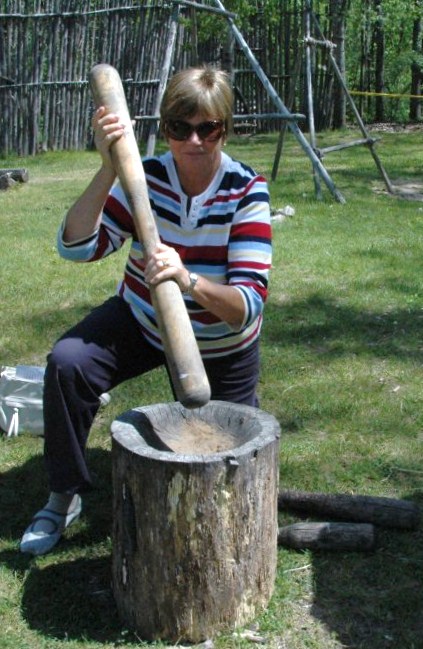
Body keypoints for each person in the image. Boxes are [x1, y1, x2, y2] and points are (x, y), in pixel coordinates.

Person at [20, 65, 272, 556]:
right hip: (142, 318)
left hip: (221, 341)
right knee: (68, 363)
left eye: (208, 128)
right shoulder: (148, 176)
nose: (193, 141)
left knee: (231, 457)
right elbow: (78, 247)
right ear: (165, 129)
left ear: (225, 129)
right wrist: (109, 167)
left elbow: (245, 306)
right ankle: (62, 496)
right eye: (180, 128)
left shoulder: (246, 190)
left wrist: (187, 278)